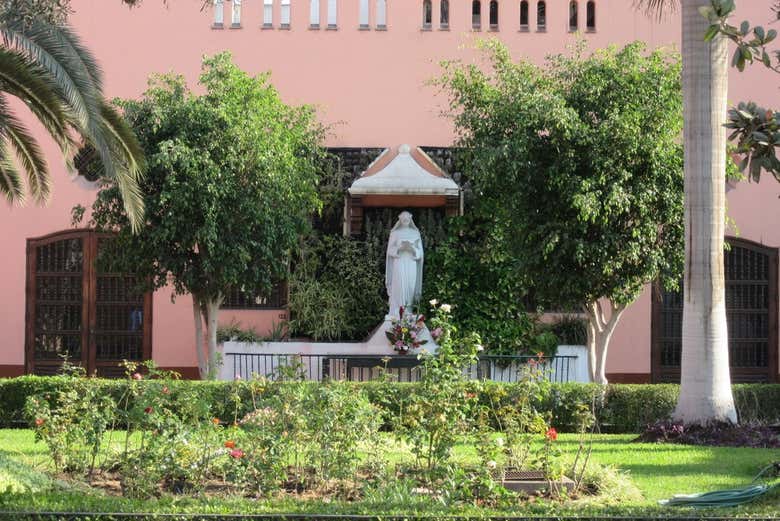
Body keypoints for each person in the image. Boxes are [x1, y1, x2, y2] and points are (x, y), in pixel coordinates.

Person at [385, 211, 424, 319]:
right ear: (400, 219)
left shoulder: (415, 233)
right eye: (403, 218)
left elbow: (420, 253)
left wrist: (413, 249)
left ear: (410, 219)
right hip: (399, 262)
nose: (405, 220)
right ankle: (397, 310)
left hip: (411, 263)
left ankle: (408, 310)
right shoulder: (395, 233)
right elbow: (389, 251)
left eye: (407, 218)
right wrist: (399, 248)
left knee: (410, 285)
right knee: (399, 285)